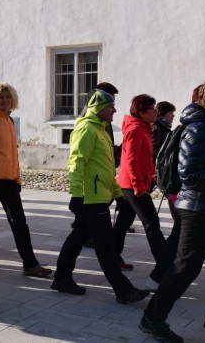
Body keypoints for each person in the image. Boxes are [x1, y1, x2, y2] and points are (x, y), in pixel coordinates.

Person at [140, 78, 205, 343]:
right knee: (185, 269)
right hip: (199, 210)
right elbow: (190, 175)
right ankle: (152, 319)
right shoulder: (199, 128)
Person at [51, 89, 150, 304]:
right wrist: (76, 194)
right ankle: (123, 290)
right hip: (91, 198)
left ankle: (61, 278)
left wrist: (118, 195)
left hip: (99, 196)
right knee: (105, 244)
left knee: (78, 237)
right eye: (110, 106)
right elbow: (76, 162)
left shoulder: (101, 129)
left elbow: (104, 168)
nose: (114, 110)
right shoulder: (86, 129)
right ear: (98, 109)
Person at [0, 83, 52, 278]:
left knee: (20, 223)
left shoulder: (10, 121)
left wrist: (17, 178)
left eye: (7, 97)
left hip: (9, 180)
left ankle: (30, 264)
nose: (5, 100)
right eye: (1, 97)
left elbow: (13, 154)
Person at [113, 95, 166, 268]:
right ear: (142, 112)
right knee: (151, 223)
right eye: (152, 108)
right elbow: (131, 160)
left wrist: (152, 174)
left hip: (132, 183)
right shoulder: (136, 129)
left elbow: (144, 158)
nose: (156, 112)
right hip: (133, 185)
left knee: (123, 222)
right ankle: (164, 266)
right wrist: (138, 186)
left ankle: (111, 257)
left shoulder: (143, 127)